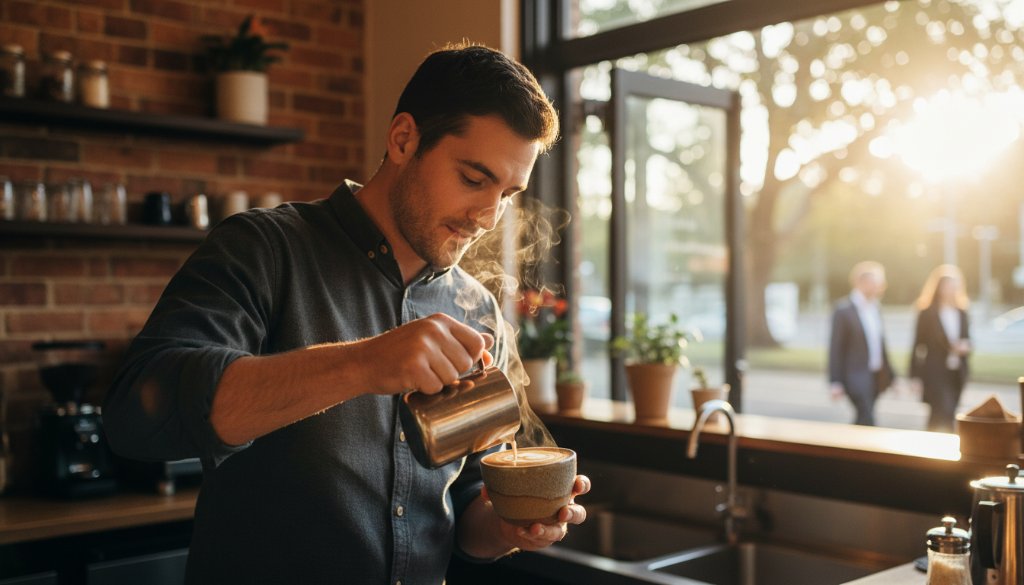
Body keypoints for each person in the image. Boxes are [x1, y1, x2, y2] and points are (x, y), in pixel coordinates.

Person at [103, 43, 590, 585]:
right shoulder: (264, 249)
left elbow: (468, 502)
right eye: (474, 180)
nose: (487, 216)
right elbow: (136, 415)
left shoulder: (477, 310)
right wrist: (361, 364)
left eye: (508, 193)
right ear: (404, 139)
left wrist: (506, 527)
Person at [828, 261, 896, 426]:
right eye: (876, 283)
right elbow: (836, 348)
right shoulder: (844, 310)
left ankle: (852, 449)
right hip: (855, 376)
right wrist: (835, 381)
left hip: (876, 375)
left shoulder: (875, 308)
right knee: (867, 417)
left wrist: (892, 376)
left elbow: (880, 345)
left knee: (864, 418)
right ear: (860, 282)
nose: (879, 287)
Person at [909, 265, 971, 432]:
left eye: (954, 286)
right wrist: (914, 376)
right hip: (935, 372)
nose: (951, 290)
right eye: (948, 286)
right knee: (942, 411)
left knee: (945, 413)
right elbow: (917, 345)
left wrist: (965, 347)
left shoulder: (961, 312)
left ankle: (932, 450)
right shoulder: (927, 313)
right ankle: (943, 451)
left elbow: (968, 340)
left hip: (956, 372)